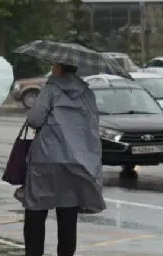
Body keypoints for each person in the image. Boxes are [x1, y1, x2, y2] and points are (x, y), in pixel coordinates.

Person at [21, 63, 105, 256]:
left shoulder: (50, 90)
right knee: (68, 212)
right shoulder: (87, 94)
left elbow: (34, 120)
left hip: (46, 159)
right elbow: (92, 125)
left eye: (53, 65)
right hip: (77, 160)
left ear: (59, 68)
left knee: (35, 209)